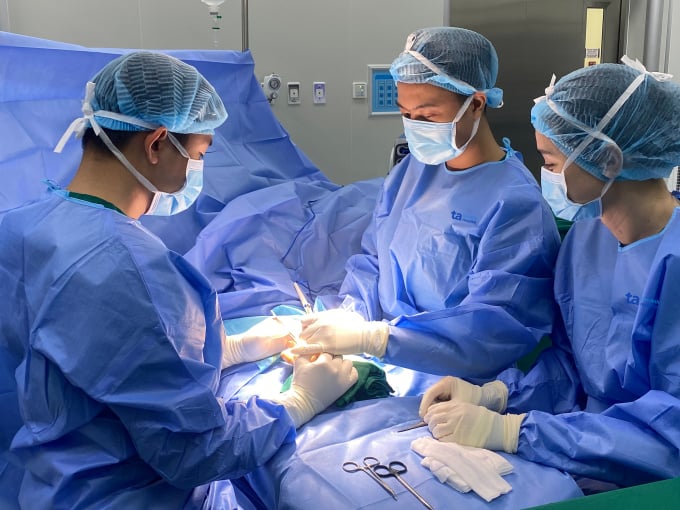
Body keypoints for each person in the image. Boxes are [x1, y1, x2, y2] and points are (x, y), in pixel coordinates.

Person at [0, 51, 357, 509]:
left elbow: (90, 364)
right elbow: (195, 454)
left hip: (47, 486)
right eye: (200, 153)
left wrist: (226, 349)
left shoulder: (23, 228)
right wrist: (300, 401)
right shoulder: (130, 269)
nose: (198, 170)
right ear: (156, 145)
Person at [416, 58, 680, 489]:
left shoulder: (673, 261)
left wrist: (513, 432)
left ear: (607, 159)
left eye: (551, 163)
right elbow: (570, 363)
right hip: (574, 449)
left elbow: (670, 434)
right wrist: (497, 396)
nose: (545, 177)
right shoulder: (585, 239)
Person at [293, 27, 561, 378]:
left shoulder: (516, 206)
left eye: (427, 116)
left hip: (456, 377)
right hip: (386, 355)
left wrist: (376, 339)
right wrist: (351, 315)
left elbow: (491, 334)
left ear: (476, 103)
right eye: (406, 114)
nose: (414, 127)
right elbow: (375, 259)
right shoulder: (410, 172)